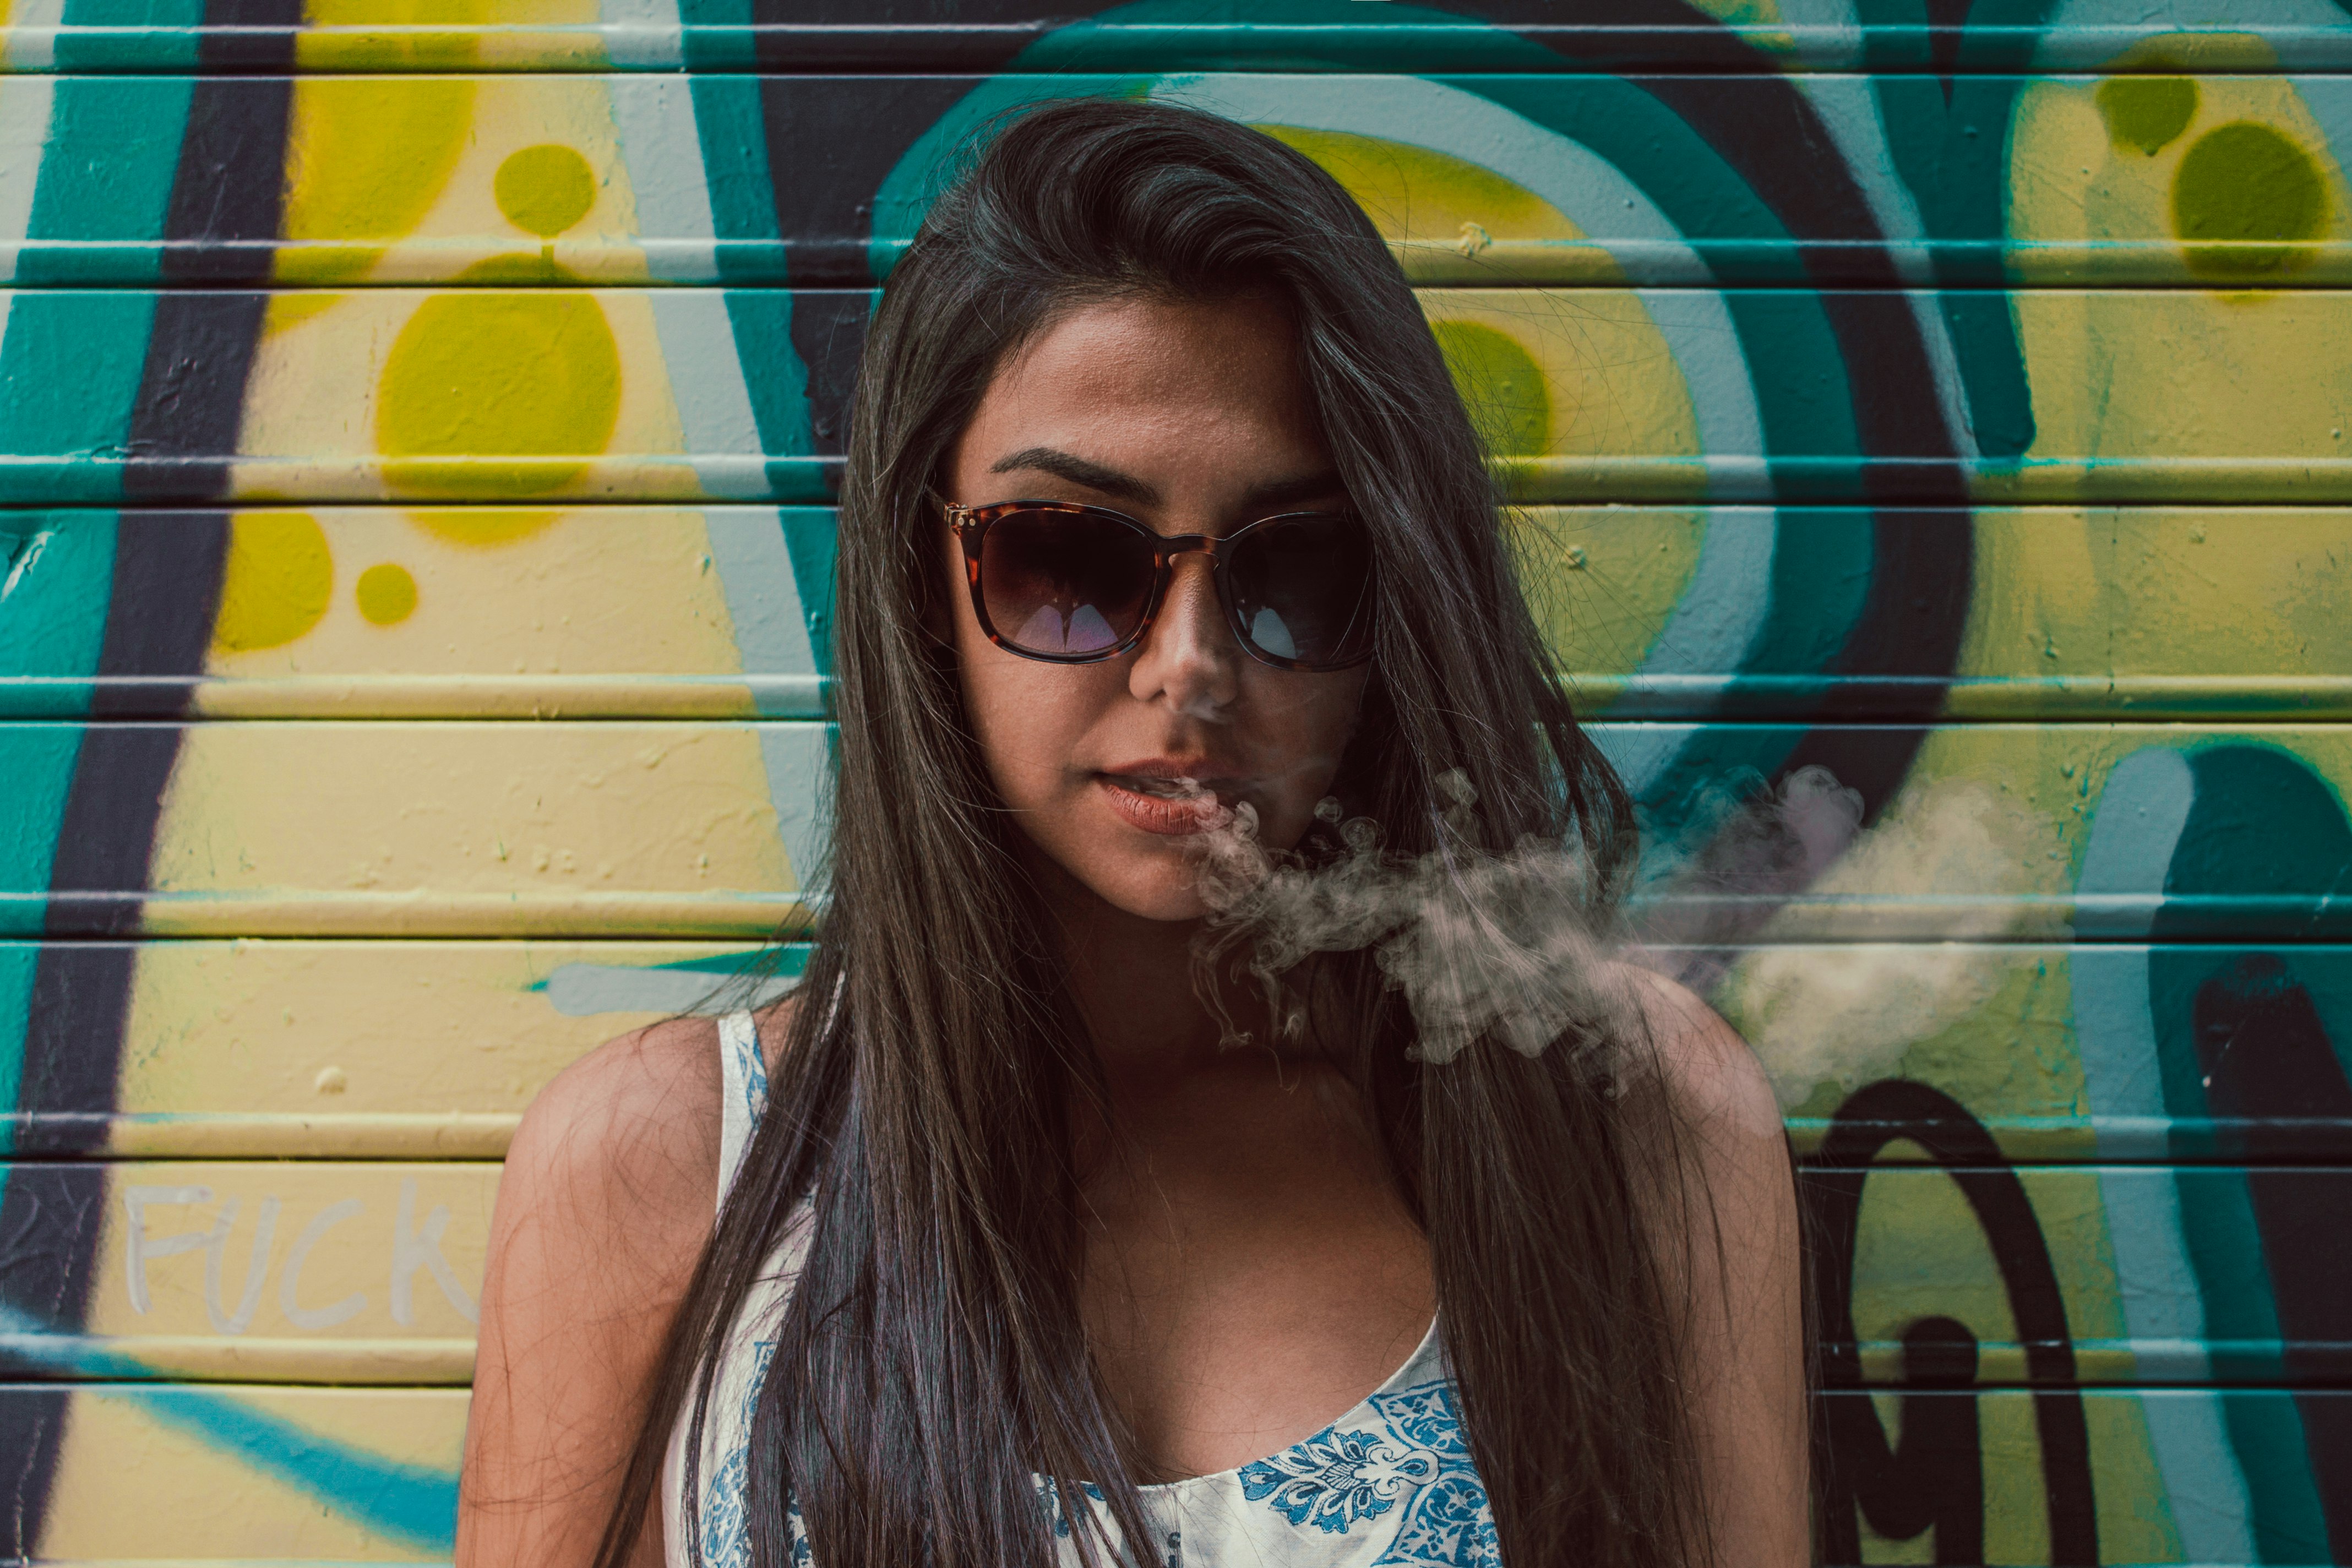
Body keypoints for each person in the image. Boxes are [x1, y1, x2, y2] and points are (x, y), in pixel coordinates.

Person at [456, 97, 1805, 1568]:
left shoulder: (1626, 1121)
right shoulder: (661, 1168)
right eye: (1067, 560)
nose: (1188, 665)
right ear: (924, 578)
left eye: (1300, 565)